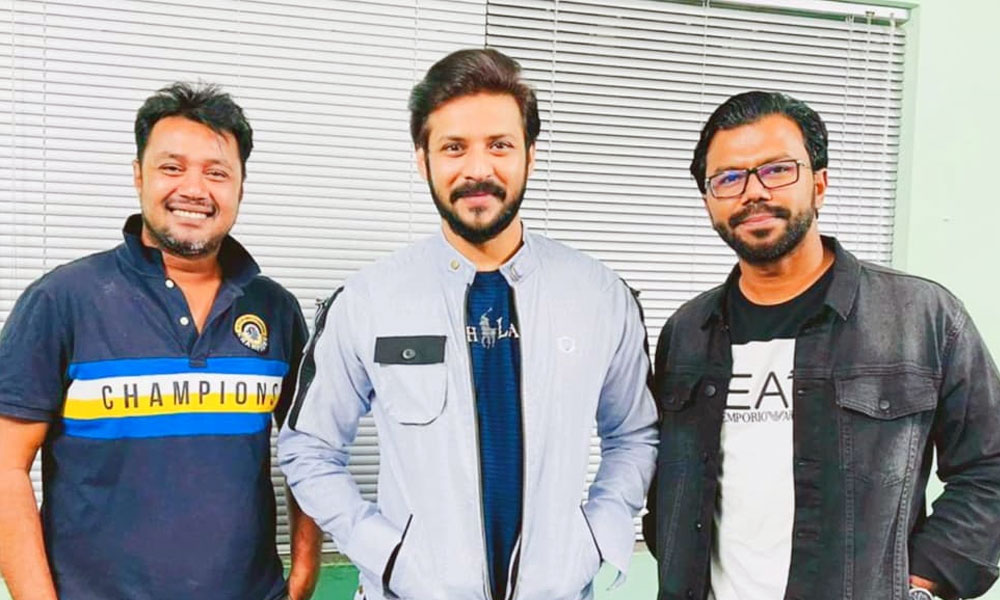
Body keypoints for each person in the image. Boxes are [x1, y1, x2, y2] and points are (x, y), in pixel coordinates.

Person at [278, 48, 658, 600]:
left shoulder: (603, 298)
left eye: (499, 145)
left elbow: (634, 435)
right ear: (423, 159)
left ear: (529, 154)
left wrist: (597, 536)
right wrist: (386, 553)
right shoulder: (365, 301)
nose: (478, 169)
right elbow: (308, 447)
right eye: (454, 147)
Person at [642, 90, 1000, 600]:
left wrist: (922, 582)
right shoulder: (686, 331)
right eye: (728, 178)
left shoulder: (923, 317)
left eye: (777, 170)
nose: (753, 192)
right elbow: (666, 481)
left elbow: (990, 467)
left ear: (820, 184)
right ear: (708, 201)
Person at [0, 82, 322, 600]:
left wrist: (305, 569)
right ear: (139, 175)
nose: (194, 189)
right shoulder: (62, 300)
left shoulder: (275, 309)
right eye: (172, 167)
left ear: (240, 187)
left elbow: (310, 446)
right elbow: (6, 466)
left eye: (216, 172)